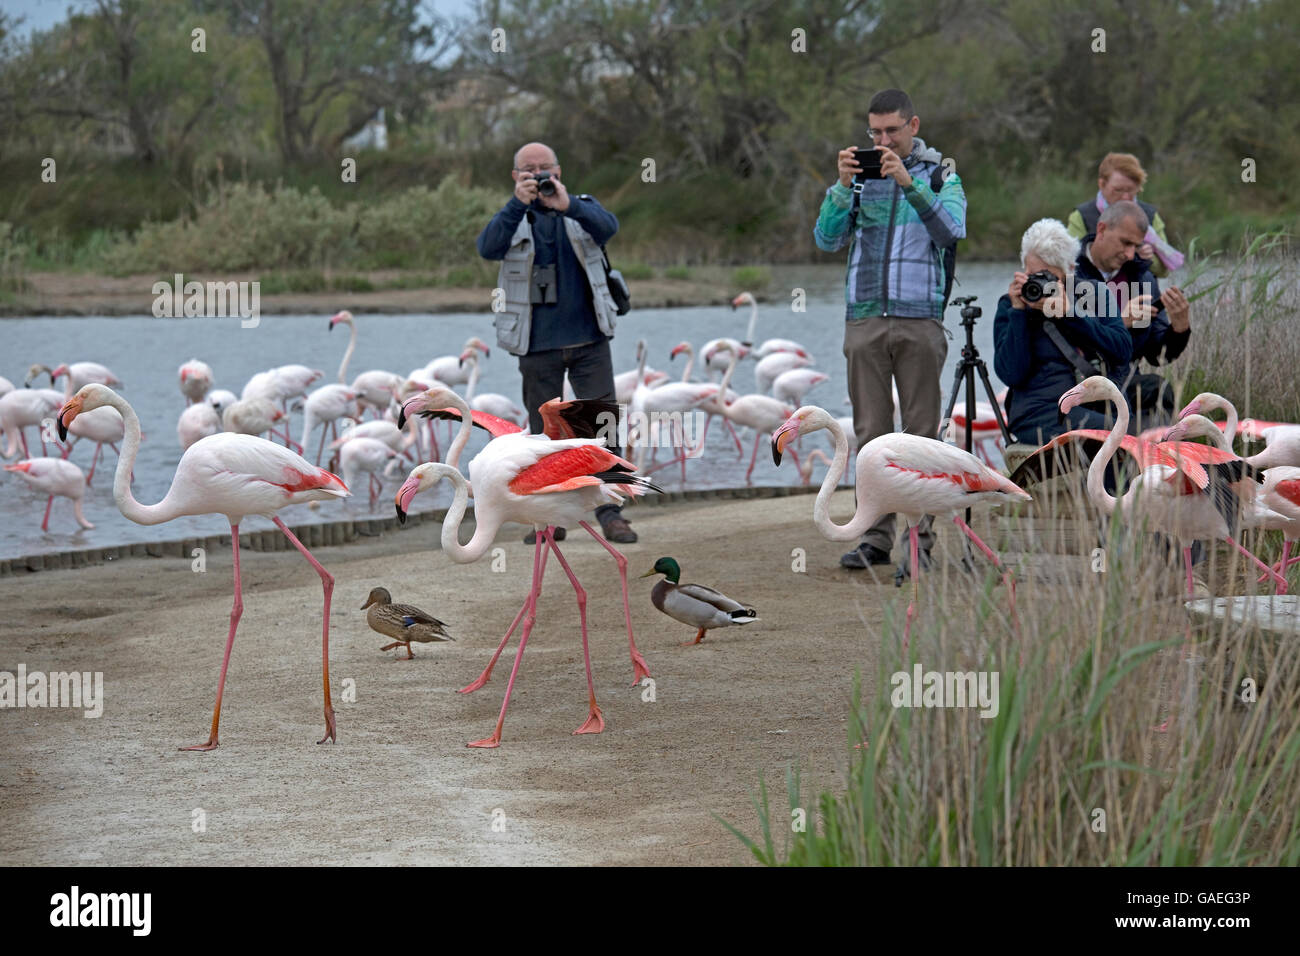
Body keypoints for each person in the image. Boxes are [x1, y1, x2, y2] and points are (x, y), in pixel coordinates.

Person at [813, 88, 967, 573]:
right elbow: (825, 239)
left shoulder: (943, 175)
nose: (882, 140)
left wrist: (909, 184)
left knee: (922, 435)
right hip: (864, 319)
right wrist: (840, 188)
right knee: (870, 434)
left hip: (920, 319)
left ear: (913, 126)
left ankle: (920, 544)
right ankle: (874, 538)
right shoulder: (857, 181)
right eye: (874, 132)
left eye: (891, 131)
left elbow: (952, 231)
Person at [476, 141, 636, 544]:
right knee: (541, 438)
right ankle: (549, 521)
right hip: (536, 343)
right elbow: (487, 247)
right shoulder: (513, 216)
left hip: (589, 338)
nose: (538, 175)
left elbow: (609, 228)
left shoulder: (580, 207)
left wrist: (569, 205)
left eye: (544, 168)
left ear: (559, 171)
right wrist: (517, 204)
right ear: (515, 176)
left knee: (603, 425)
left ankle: (611, 511)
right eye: (529, 169)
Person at [993, 219, 1131, 446]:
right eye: (1030, 273)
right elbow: (1011, 375)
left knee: (1128, 427)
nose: (1035, 282)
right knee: (1108, 433)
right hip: (1038, 411)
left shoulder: (1093, 294)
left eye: (1045, 276)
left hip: (1092, 401)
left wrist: (1071, 314)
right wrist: (1019, 314)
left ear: (1068, 271)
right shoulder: (1011, 305)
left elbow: (1122, 351)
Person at [1074, 200, 1192, 435]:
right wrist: (1119, 322)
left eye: (1136, 246)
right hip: (1078, 382)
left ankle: (1148, 463)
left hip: (1123, 382)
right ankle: (1128, 457)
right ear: (1102, 230)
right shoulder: (1069, 270)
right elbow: (1064, 334)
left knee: (1159, 391)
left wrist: (1179, 329)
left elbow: (1156, 354)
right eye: (1125, 243)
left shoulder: (1143, 279)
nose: (1130, 254)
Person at [1066, 152, 1182, 277]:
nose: (1125, 197)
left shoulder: (1150, 216)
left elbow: (1164, 272)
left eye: (1131, 190)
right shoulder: (1082, 215)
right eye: (1118, 190)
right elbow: (1070, 262)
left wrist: (1147, 258)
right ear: (1102, 184)